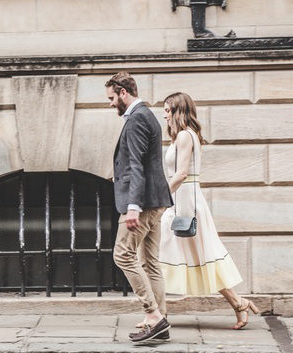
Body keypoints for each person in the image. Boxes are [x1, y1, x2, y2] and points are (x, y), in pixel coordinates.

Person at [159, 92, 259, 330]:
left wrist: (161, 197)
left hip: (185, 203)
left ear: (177, 110)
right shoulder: (184, 136)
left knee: (199, 256)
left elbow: (182, 173)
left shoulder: (184, 136)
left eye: (167, 110)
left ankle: (156, 313)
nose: (164, 115)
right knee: (183, 255)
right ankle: (237, 303)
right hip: (181, 201)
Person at [105, 72, 173, 342]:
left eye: (112, 98)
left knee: (122, 255)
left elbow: (136, 165)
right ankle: (160, 321)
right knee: (150, 262)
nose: (110, 104)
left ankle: (153, 315)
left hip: (142, 203)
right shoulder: (147, 116)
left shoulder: (136, 119)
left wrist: (133, 206)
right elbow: (142, 162)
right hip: (156, 200)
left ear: (123, 92)